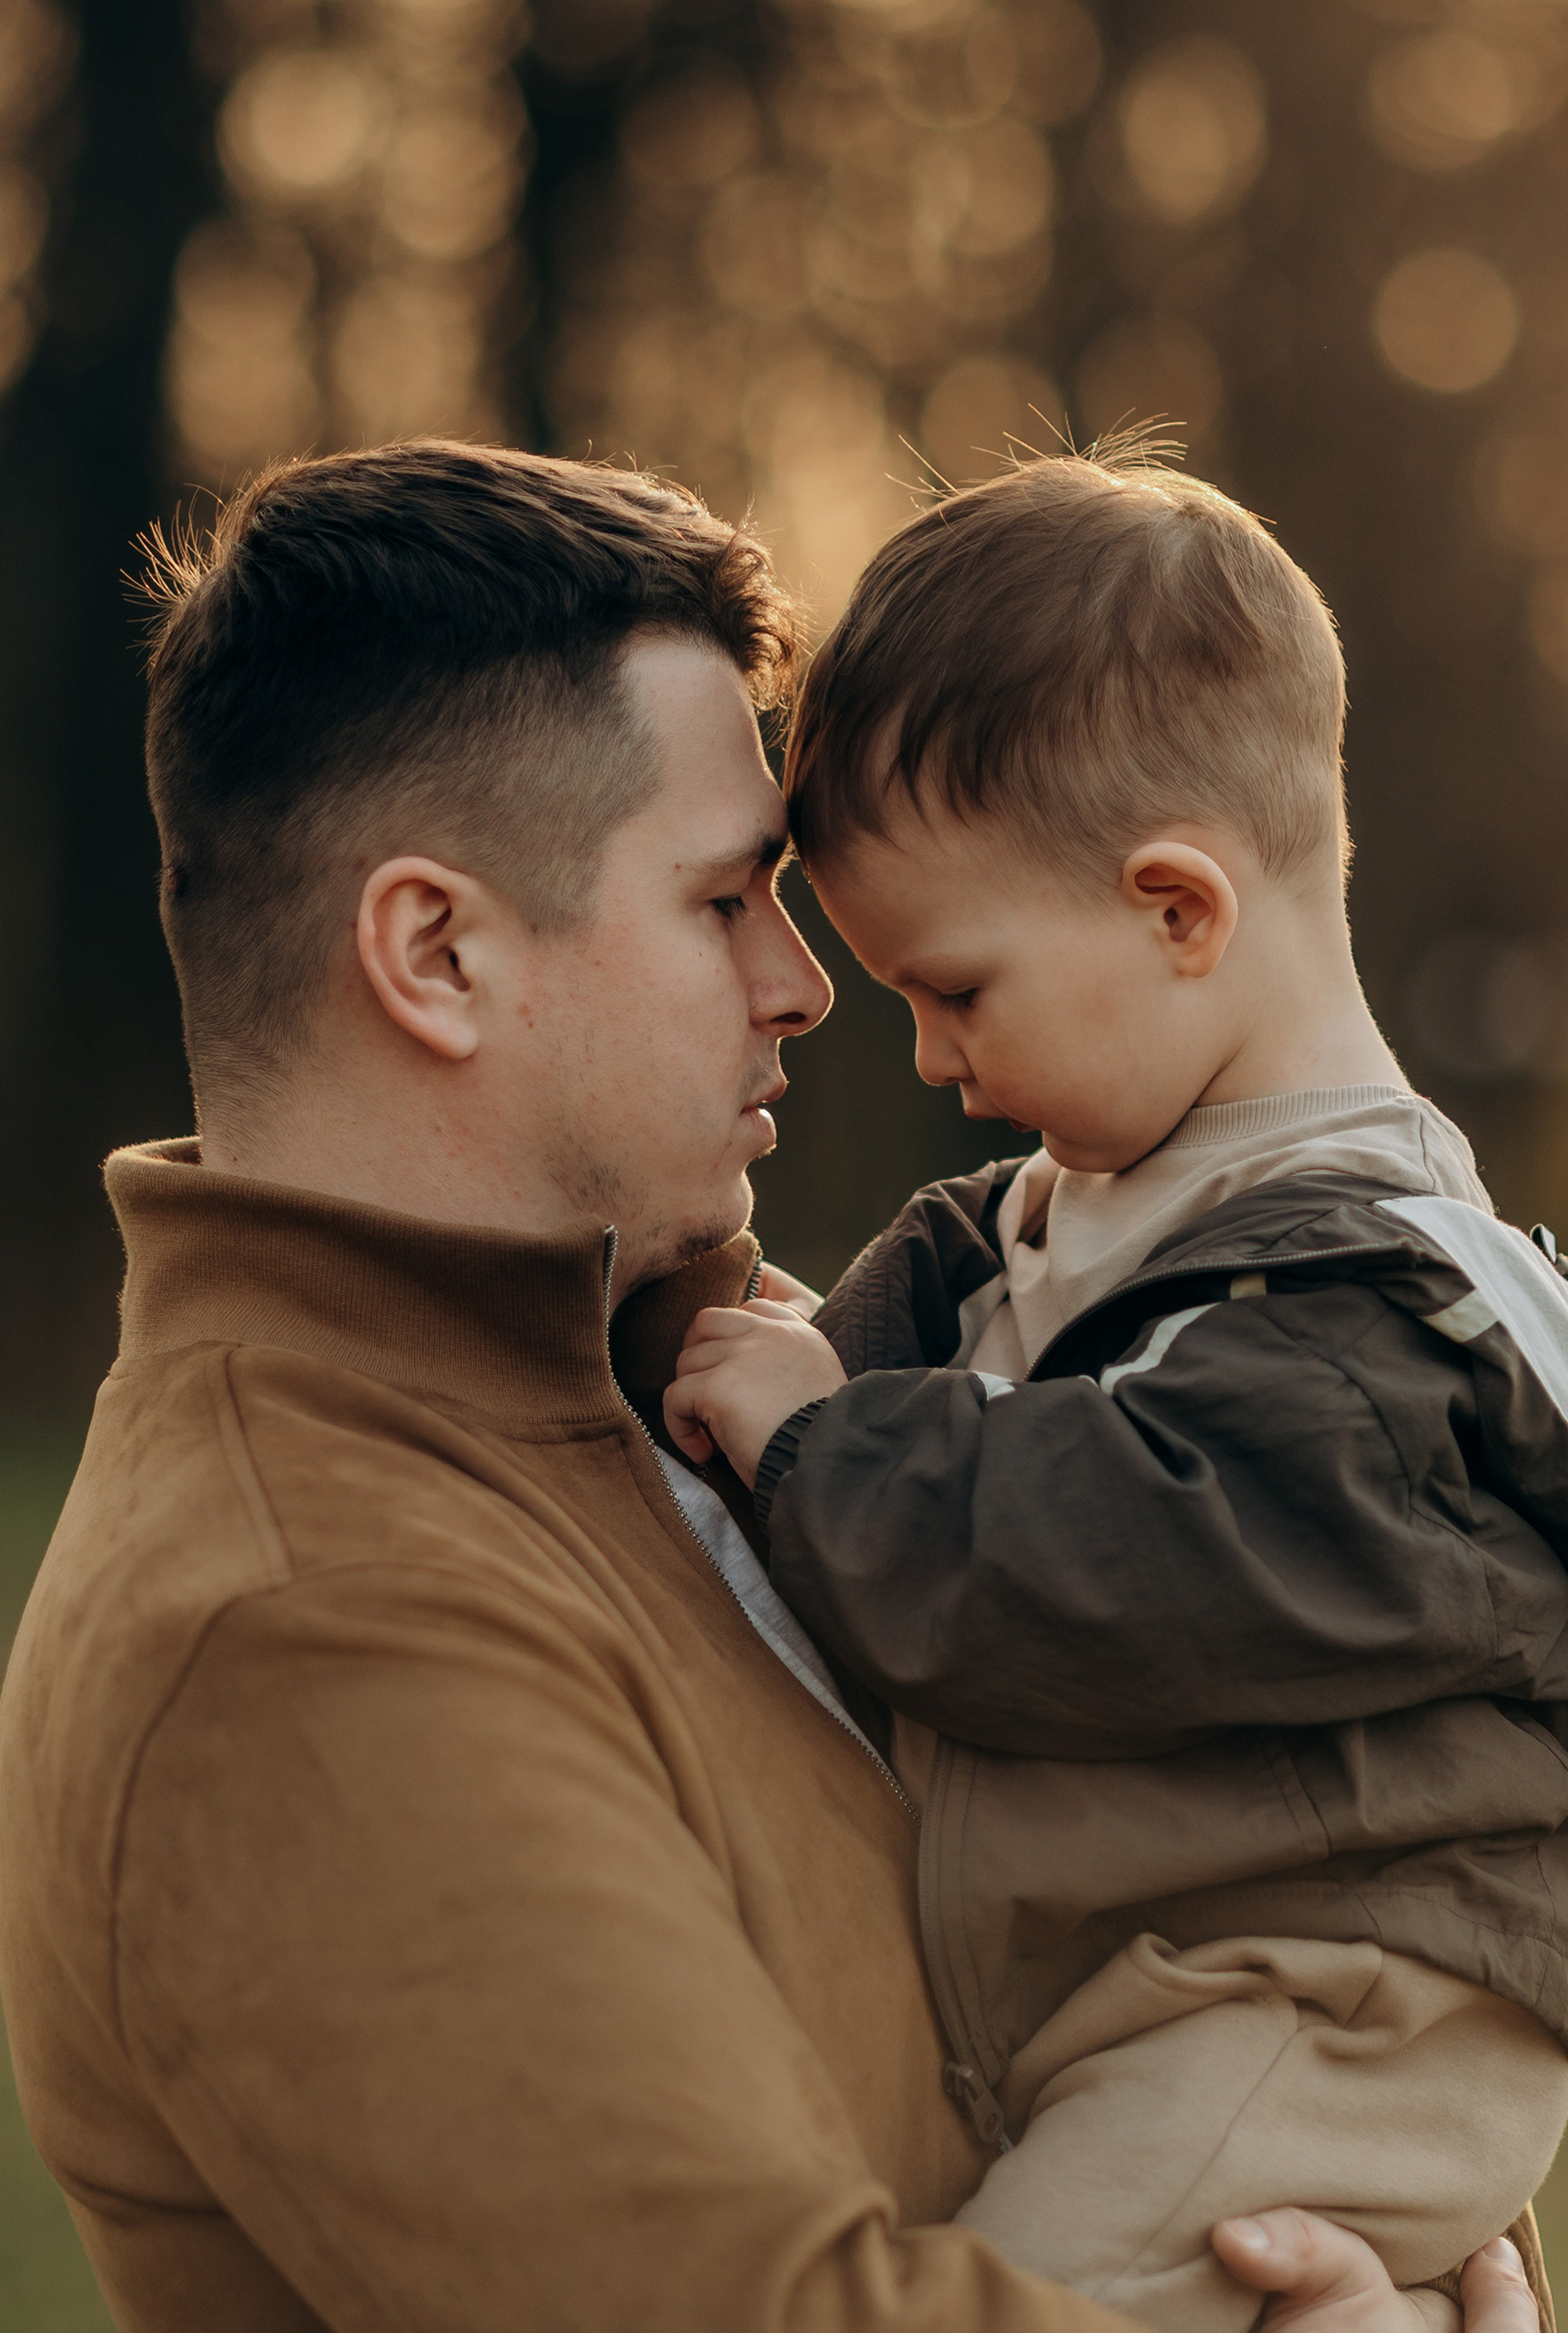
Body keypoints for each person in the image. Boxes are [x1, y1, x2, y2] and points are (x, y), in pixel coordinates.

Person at [0, 439, 1537, 2333]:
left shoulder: (681, 1373)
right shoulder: (306, 1618)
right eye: (727, 900)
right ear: (439, 950)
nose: (806, 983)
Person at [664, 445, 1568, 2333]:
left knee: (1010, 2307)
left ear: (1177, 909)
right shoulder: (1097, 1209)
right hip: (1171, 1995)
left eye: (960, 989)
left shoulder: (1376, 1324)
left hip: (1317, 2019)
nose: (921, 1052)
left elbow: (1092, 1556)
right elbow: (959, 1315)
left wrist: (823, 1441)